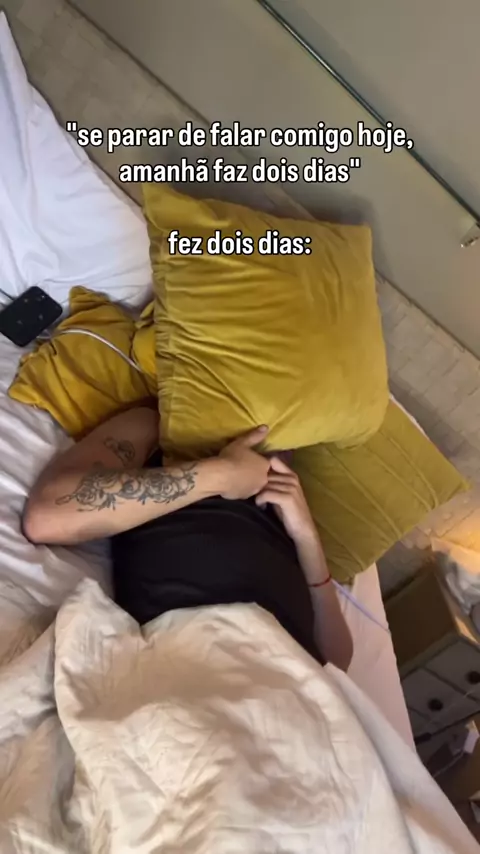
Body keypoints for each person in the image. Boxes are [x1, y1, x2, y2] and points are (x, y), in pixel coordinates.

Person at [23, 407, 353, 671]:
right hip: (199, 661)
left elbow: (335, 662)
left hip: (289, 685)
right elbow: (46, 516)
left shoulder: (284, 465)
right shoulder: (159, 426)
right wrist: (221, 474)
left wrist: (306, 537)